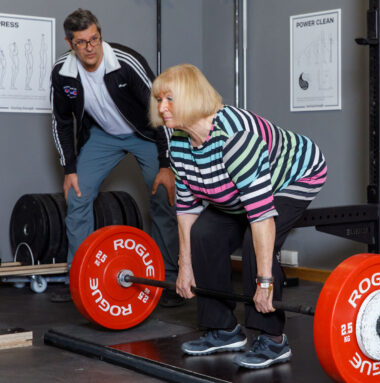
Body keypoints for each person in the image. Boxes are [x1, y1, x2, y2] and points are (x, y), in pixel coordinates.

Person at [149, 64, 327, 369]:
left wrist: (265, 283)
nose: (162, 107)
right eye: (158, 100)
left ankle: (273, 340)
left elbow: (260, 218)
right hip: (235, 187)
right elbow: (187, 209)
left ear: (191, 97)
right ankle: (223, 330)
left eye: (169, 99)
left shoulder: (235, 138)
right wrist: (185, 267)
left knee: (252, 244)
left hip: (294, 175)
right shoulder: (178, 141)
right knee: (204, 234)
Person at [50, 9, 181, 306]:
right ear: (70, 44)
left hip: (145, 134)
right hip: (102, 135)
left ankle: (169, 278)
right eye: (81, 42)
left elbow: (162, 110)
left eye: (94, 38)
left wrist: (166, 164)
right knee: (78, 194)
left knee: (163, 194)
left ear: (100, 35)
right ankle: (79, 277)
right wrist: (69, 169)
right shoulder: (62, 72)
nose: (90, 47)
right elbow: (61, 120)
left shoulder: (125, 62)